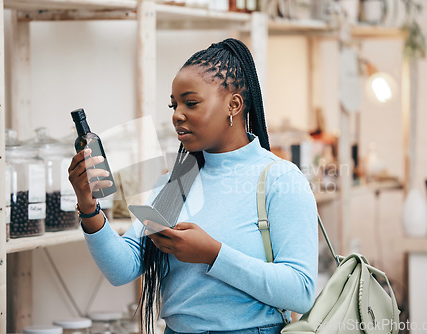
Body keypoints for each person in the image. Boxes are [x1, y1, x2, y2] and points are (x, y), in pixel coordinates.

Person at [68, 38, 318, 334]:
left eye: (191, 102)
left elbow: (300, 292)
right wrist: (88, 206)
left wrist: (213, 253)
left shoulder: (280, 179)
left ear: (233, 105)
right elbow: (122, 269)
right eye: (174, 105)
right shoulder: (178, 182)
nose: (176, 115)